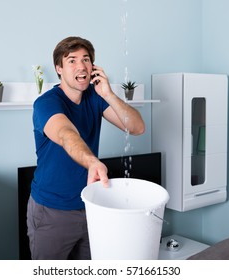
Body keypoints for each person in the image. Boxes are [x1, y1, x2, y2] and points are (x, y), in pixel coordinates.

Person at [27, 36, 145, 260]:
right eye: (71, 60)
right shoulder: (47, 103)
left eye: (86, 59)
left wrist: (108, 94)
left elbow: (137, 127)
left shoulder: (95, 98)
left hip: (91, 205)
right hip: (52, 211)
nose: (81, 66)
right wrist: (92, 161)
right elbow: (65, 134)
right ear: (59, 69)